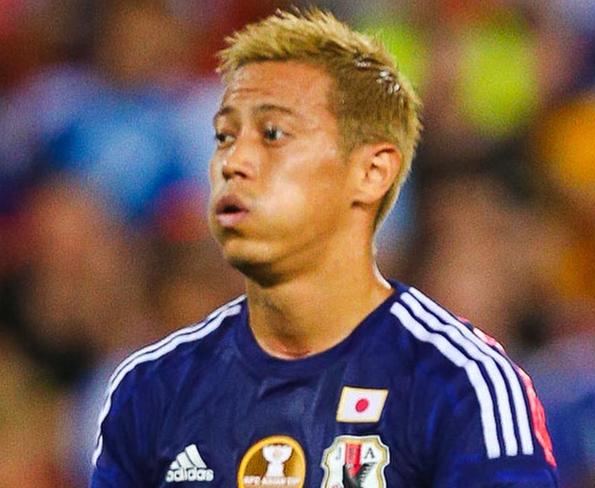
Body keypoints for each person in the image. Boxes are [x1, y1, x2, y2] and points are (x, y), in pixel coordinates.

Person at [90, 8, 558, 487]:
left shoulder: (460, 385)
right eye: (225, 136)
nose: (234, 162)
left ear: (371, 173)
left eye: (273, 134)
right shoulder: (151, 389)